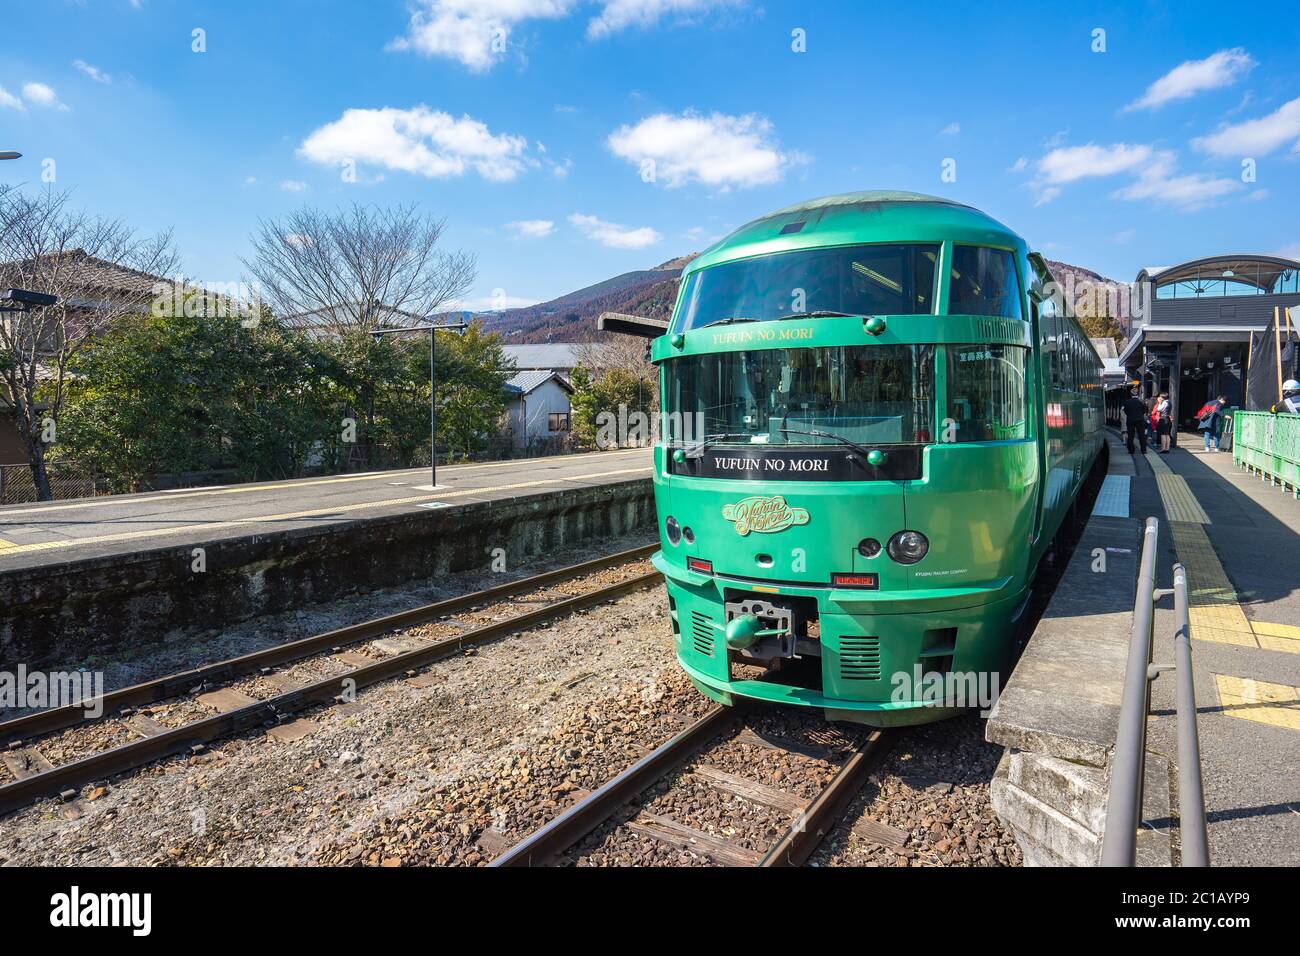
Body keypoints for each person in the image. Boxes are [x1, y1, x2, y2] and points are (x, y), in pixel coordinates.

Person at [1122, 388, 1148, 454]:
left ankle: (1131, 450)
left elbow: (1125, 411)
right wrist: (1140, 414)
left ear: (1130, 394)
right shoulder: (1141, 402)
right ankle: (1143, 450)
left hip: (1130, 420)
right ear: (1138, 394)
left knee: (1130, 435)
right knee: (1141, 435)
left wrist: (1130, 415)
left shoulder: (1127, 402)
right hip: (1140, 420)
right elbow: (1144, 410)